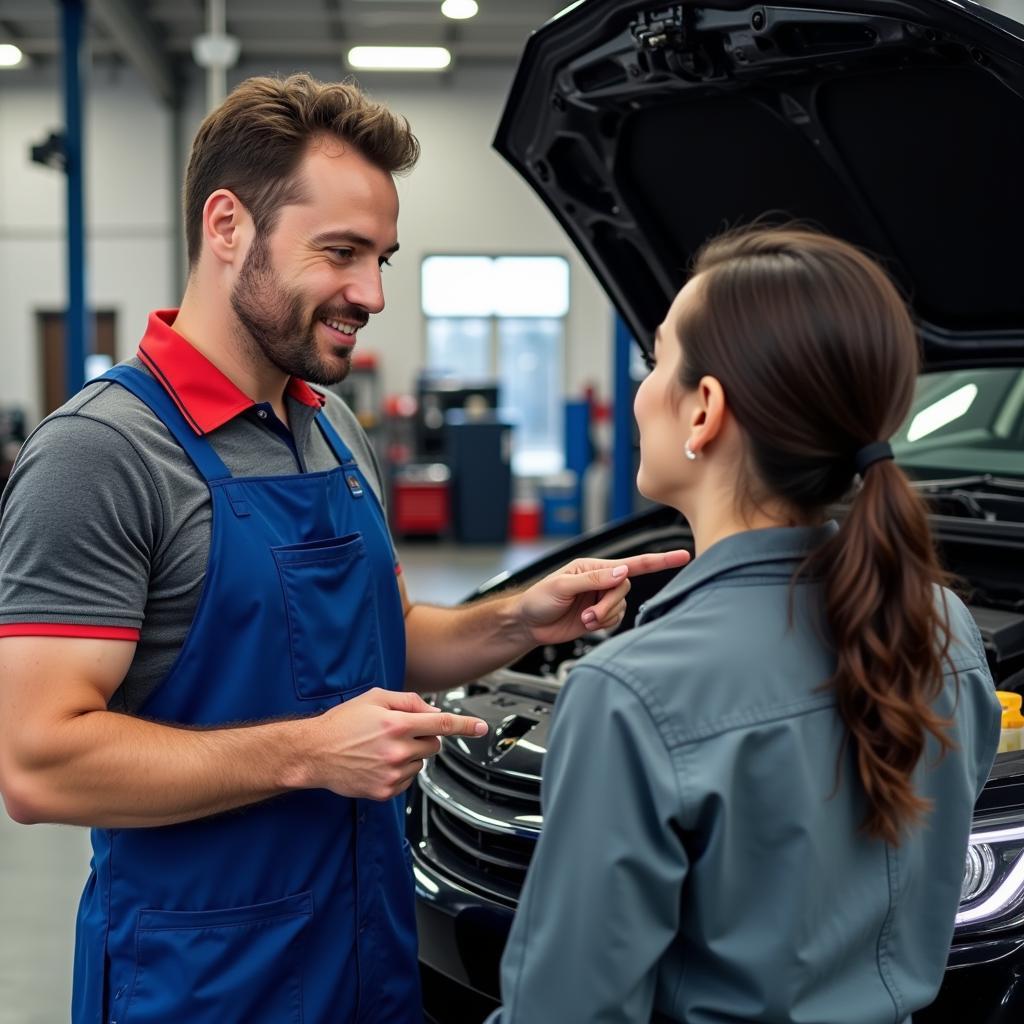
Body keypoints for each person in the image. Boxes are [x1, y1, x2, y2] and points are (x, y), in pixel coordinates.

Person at [0, 74, 689, 1024]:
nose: (369, 293)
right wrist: (310, 754)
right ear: (228, 225)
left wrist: (517, 620)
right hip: (202, 982)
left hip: (363, 955)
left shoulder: (330, 427)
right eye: (341, 253)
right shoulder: (103, 454)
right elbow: (37, 763)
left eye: (383, 260)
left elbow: (384, 635)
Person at [486, 227, 1002, 1024]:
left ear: (704, 411)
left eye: (658, 361)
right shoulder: (944, 628)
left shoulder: (633, 692)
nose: (641, 390)